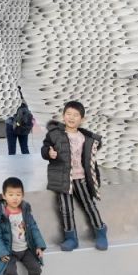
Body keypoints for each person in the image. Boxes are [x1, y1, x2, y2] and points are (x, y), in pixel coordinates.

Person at [41, 100, 108, 251]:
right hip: (63, 178)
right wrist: (49, 153)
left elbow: (90, 158)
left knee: (89, 205)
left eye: (76, 115)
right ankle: (71, 238)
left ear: (82, 119)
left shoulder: (85, 138)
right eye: (68, 114)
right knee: (66, 209)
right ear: (63, 116)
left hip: (81, 178)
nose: (71, 117)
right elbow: (45, 149)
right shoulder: (55, 135)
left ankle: (100, 231)